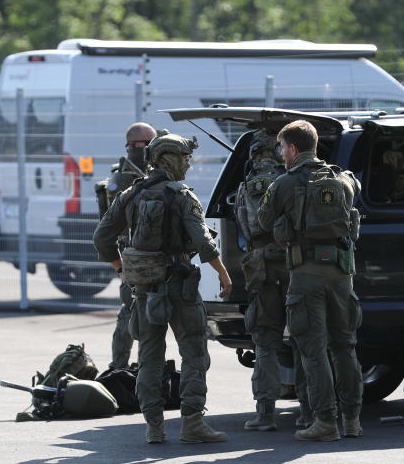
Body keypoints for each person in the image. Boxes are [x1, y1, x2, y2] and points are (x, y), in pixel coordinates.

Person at [93, 133, 233, 444]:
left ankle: (154, 427)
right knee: (194, 352)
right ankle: (193, 423)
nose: (188, 163)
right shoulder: (182, 195)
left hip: (144, 288)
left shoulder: (130, 194)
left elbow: (102, 238)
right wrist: (223, 274)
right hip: (181, 286)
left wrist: (123, 271)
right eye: (184, 157)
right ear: (170, 159)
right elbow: (202, 241)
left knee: (149, 356)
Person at [257, 120, 363, 441]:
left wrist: (286, 222)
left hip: (305, 274)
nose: (280, 153)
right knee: (345, 346)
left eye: (281, 148)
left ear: (291, 149)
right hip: (342, 273)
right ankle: (352, 420)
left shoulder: (285, 183)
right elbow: (353, 196)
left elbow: (263, 220)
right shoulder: (343, 180)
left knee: (313, 350)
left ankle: (325, 422)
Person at [235, 130, 311, 431]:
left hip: (263, 267)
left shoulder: (250, 184)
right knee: (303, 341)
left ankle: (265, 414)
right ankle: (307, 412)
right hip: (295, 263)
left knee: (265, 342)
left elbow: (250, 225)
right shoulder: (295, 180)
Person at [105, 122, 157, 371]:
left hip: (150, 252)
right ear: (135, 145)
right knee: (129, 310)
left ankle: (144, 366)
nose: (152, 148)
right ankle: (119, 367)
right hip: (131, 253)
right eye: (149, 143)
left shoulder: (148, 170)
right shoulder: (123, 177)